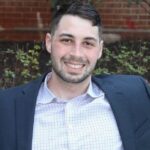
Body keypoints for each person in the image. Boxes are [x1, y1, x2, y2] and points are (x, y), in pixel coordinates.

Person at [0, 1, 150, 150]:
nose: (76, 54)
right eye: (67, 40)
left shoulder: (136, 94)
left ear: (100, 50)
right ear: (49, 42)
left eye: (88, 43)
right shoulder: (6, 107)